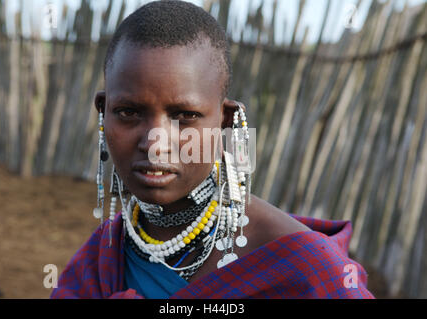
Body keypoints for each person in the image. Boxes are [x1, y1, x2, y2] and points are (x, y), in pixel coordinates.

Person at [50, 0, 374, 299]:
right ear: (103, 112)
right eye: (129, 112)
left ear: (225, 121)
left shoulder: (308, 270)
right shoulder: (99, 261)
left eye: (184, 116)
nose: (154, 142)